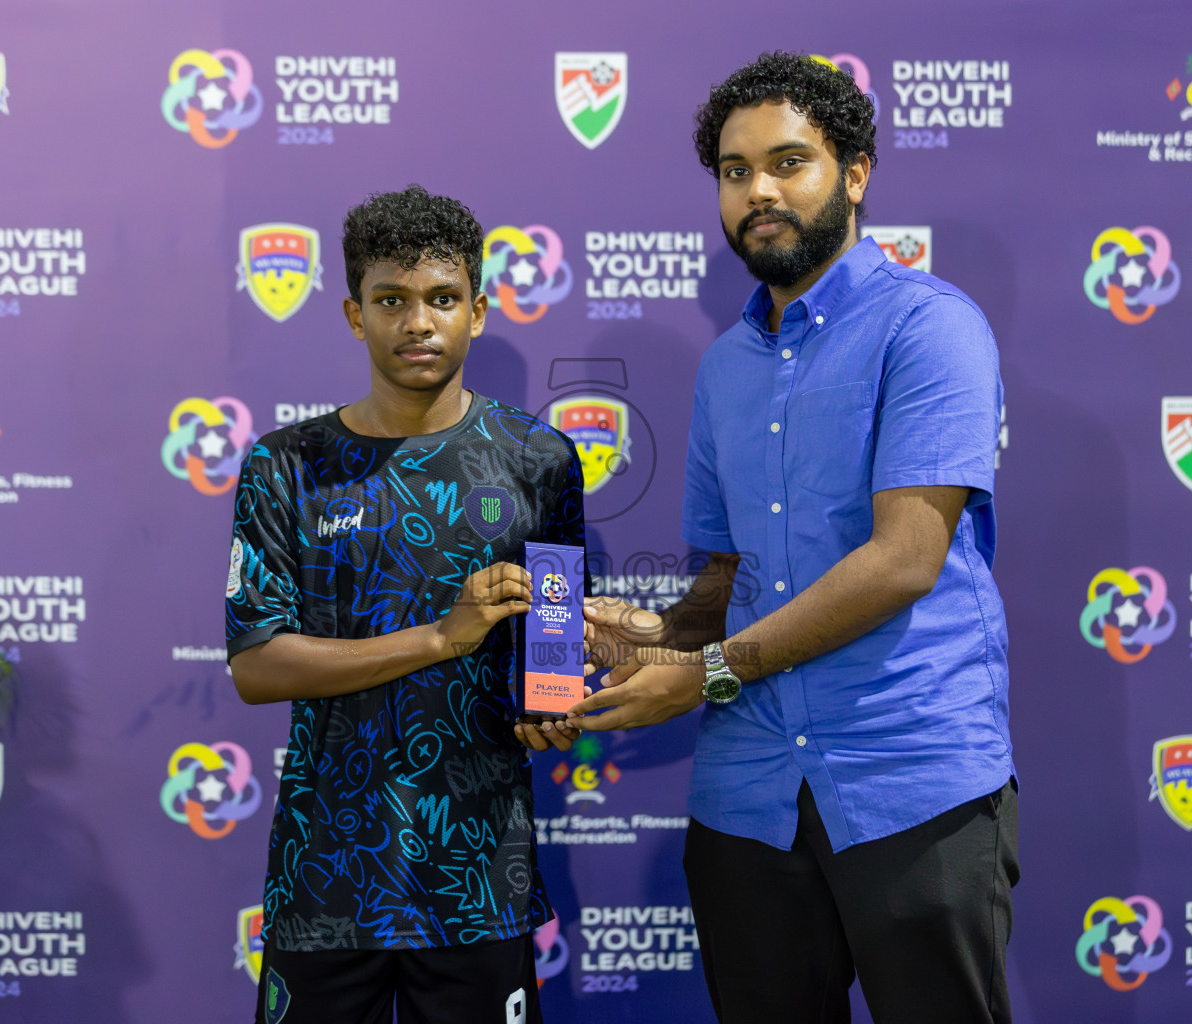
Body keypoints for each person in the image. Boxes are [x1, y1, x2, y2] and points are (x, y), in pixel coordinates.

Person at [567, 53, 1017, 1024]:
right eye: (735, 172)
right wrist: (640, 632)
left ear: (855, 174)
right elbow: (728, 579)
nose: (759, 191)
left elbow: (904, 559)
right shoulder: (726, 366)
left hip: (908, 779)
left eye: (788, 162)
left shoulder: (931, 330)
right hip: (749, 796)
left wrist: (706, 674)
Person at [225, 185, 582, 1024]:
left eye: (441, 299)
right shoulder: (286, 465)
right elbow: (256, 663)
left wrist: (555, 703)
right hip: (328, 877)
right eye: (392, 300)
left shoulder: (541, 459)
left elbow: (557, 650)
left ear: (479, 311)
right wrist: (442, 637)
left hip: (478, 873)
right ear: (355, 315)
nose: (418, 322)